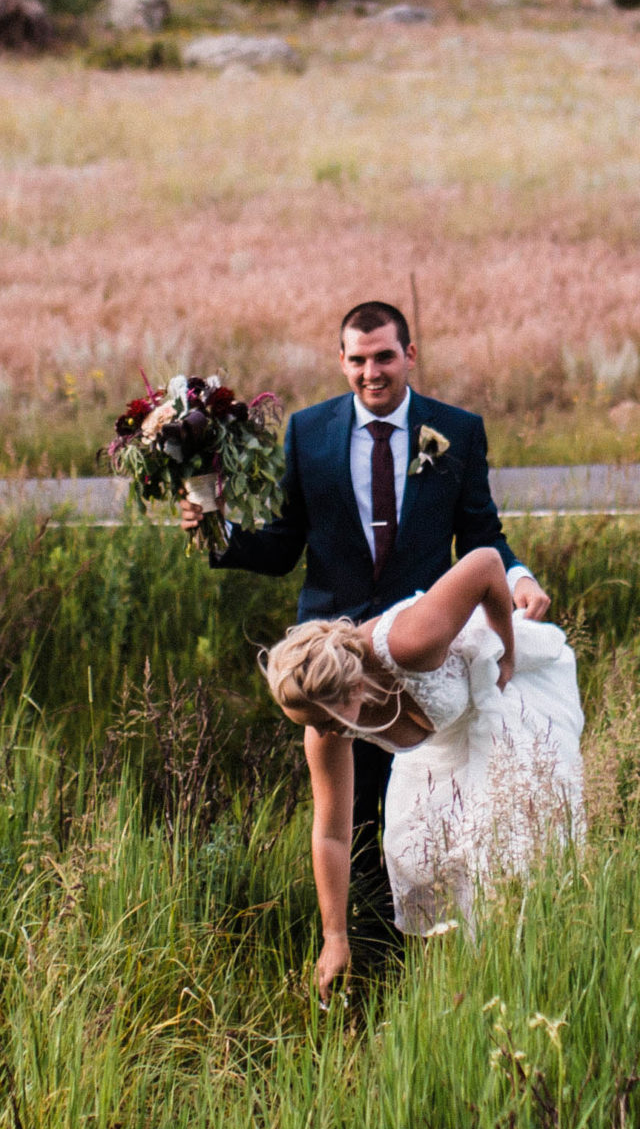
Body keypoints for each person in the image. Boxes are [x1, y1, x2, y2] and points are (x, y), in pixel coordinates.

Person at [181, 300, 559, 978]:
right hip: (333, 657)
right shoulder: (309, 432)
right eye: (357, 359)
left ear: (409, 355)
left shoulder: (456, 431)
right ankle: (377, 955)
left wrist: (518, 584)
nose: (370, 371)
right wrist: (220, 533)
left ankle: (464, 953)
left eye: (383, 356)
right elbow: (283, 546)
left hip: (423, 646)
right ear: (342, 361)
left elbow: (481, 538)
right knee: (354, 823)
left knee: (444, 820)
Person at [259, 545, 583, 996]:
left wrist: (506, 652)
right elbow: (331, 833)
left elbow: (486, 563)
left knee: (508, 853)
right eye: (310, 725)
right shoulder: (325, 731)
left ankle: (533, 974)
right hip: (440, 745)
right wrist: (335, 937)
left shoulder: (409, 642)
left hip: (504, 695)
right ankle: (460, 988)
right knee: (414, 856)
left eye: (326, 719)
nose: (321, 732)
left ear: (352, 685)